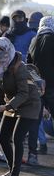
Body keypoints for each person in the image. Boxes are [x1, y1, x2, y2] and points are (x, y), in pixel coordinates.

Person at [0, 37, 40, 176]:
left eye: (0, 49)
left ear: (8, 49)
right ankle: (11, 170)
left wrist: (7, 106)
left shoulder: (18, 66)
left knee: (17, 138)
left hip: (29, 104)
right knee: (3, 137)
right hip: (11, 104)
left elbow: (24, 93)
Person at [28, 16, 54, 159]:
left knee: (34, 121)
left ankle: (33, 154)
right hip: (52, 87)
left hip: (37, 88)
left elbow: (29, 65)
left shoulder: (33, 41)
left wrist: (36, 81)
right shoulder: (53, 38)